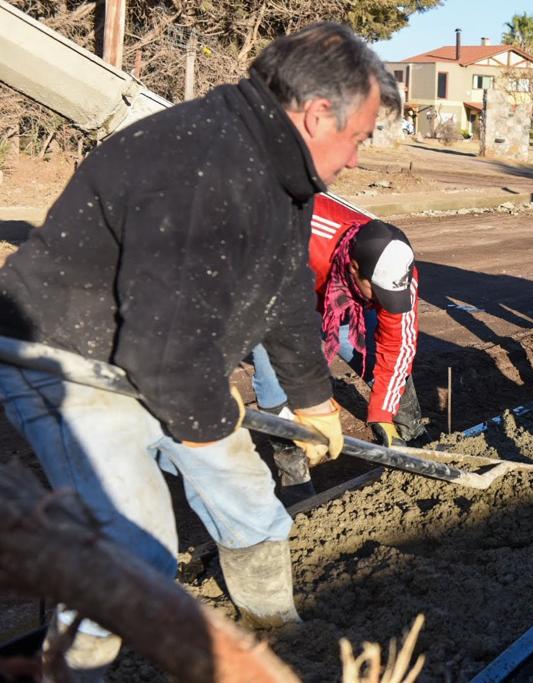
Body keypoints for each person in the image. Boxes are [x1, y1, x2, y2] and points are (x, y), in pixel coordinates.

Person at [0, 22, 400, 678]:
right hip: (71, 362)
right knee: (130, 562)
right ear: (317, 113)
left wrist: (311, 395)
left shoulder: (279, 169)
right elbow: (164, 352)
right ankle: (70, 671)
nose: (356, 157)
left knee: (250, 504)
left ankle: (275, 631)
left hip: (159, 357)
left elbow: (284, 286)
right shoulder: (206, 164)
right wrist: (216, 424)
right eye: (357, 138)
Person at [251, 195, 423, 504]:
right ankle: (296, 482)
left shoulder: (400, 272)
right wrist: (309, 399)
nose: (384, 302)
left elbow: (397, 345)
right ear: (355, 268)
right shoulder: (297, 231)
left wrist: (382, 411)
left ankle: (411, 438)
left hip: (338, 299)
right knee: (272, 380)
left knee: (373, 355)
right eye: (378, 293)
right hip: (272, 292)